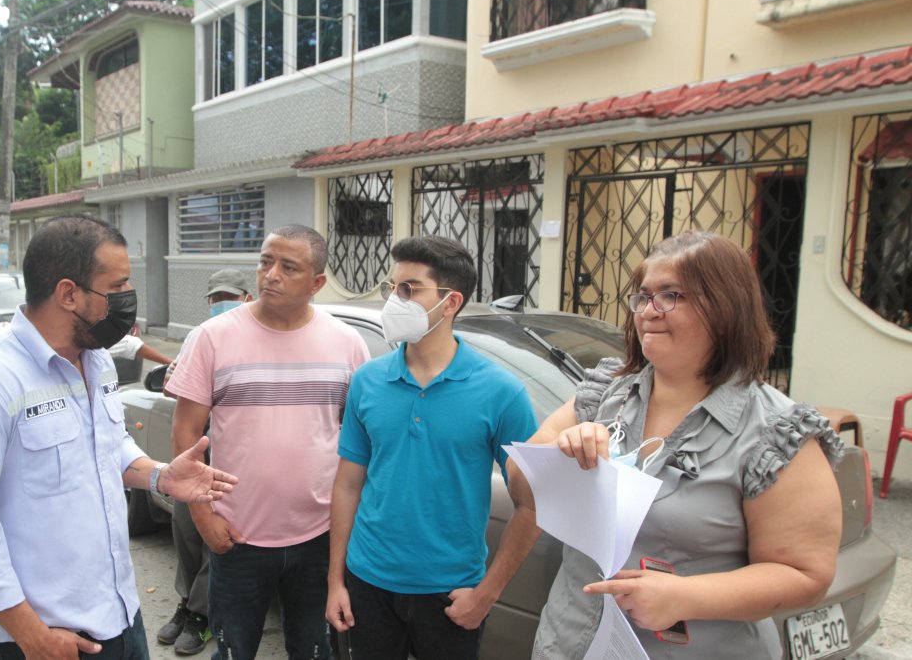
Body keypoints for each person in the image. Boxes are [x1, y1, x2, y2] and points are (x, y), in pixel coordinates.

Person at [504, 231, 843, 658]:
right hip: (570, 643)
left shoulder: (773, 432)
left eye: (671, 296)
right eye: (643, 296)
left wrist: (685, 596)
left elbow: (805, 574)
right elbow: (520, 488)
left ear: (725, 307)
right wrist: (560, 456)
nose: (648, 311)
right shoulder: (604, 394)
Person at [0, 214, 238, 660]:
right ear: (68, 293)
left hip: (119, 613)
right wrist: (31, 635)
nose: (128, 300)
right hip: (44, 637)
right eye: (118, 288)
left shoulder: (95, 360)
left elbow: (107, 447)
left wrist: (161, 477)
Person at [325, 236, 539, 660]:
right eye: (392, 287)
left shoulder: (501, 392)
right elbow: (348, 485)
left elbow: (534, 504)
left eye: (409, 289)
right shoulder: (368, 381)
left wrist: (487, 595)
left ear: (451, 302)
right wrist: (336, 581)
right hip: (368, 581)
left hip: (451, 593)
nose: (394, 300)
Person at [167, 225, 370, 660]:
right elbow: (186, 434)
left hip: (320, 537)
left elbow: (355, 439)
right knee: (233, 651)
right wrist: (205, 521)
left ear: (316, 282)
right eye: (265, 261)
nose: (270, 275)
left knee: (315, 651)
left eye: (288, 267)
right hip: (237, 537)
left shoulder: (347, 343)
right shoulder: (214, 337)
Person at [157, 268, 253, 656]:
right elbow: (174, 388)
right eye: (215, 298)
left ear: (247, 298)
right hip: (196, 450)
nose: (221, 304)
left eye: (228, 297)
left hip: (236, 455)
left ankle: (202, 614)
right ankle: (188, 603)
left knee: (218, 533)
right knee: (186, 528)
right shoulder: (201, 337)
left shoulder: (255, 338)